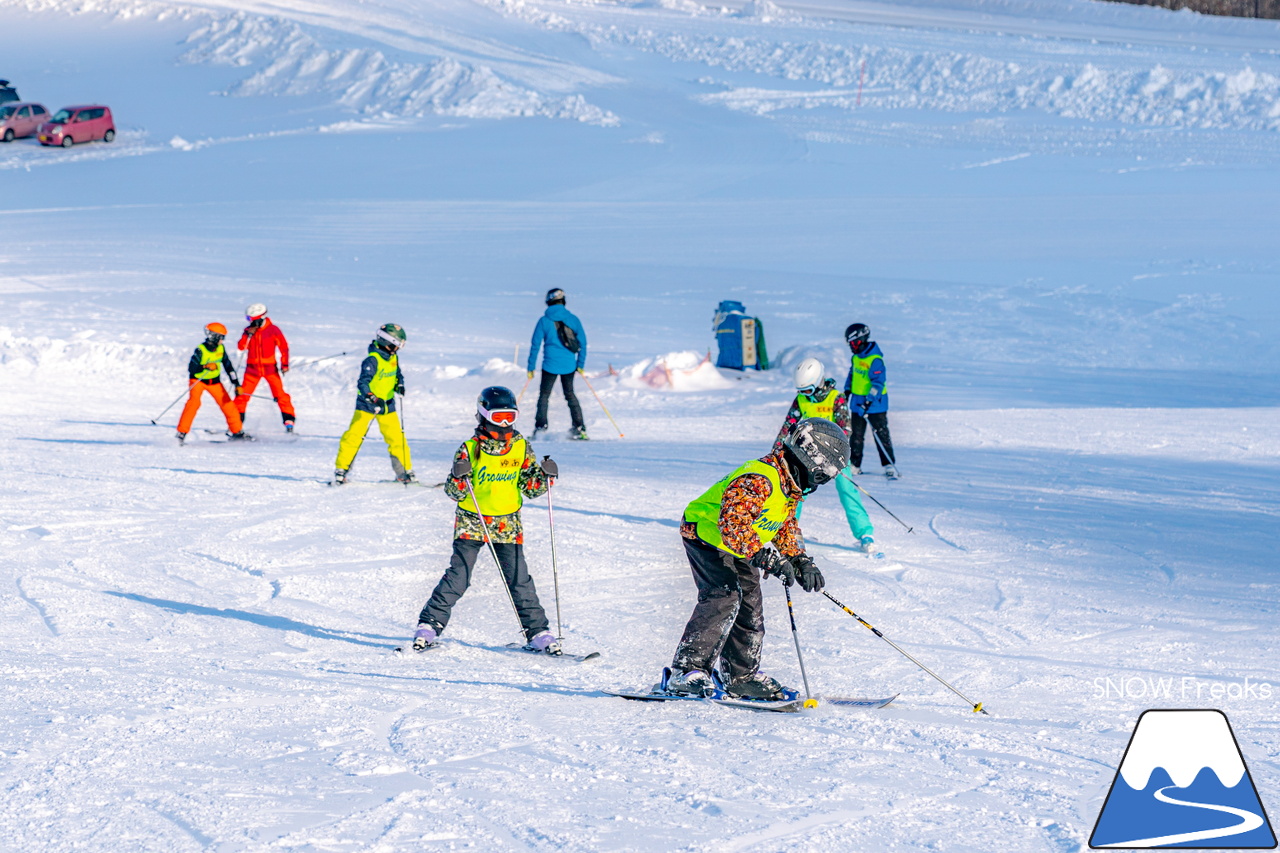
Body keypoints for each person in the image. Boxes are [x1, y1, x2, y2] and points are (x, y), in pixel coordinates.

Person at [665, 417, 850, 700]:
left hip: (741, 544)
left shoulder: (789, 482)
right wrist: (770, 560)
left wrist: (799, 559)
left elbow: (782, 522)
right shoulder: (760, 478)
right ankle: (686, 671)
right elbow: (733, 523)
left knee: (750, 606)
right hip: (706, 536)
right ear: (811, 462)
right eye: (822, 476)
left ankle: (739, 676)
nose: (821, 483)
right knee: (724, 597)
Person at [411, 386, 562, 654]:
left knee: (519, 579)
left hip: (507, 524)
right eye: (498, 416)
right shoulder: (469, 448)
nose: (504, 423)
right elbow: (454, 492)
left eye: (510, 416)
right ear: (483, 415)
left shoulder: (521, 447)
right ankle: (429, 626)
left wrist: (545, 478)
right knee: (459, 577)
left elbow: (530, 488)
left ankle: (538, 632)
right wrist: (458, 475)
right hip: (473, 520)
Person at [773, 358, 877, 555]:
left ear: (819, 381)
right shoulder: (801, 400)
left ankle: (865, 533)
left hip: (835, 456)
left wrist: (836, 457)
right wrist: (777, 452)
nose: (804, 395)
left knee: (847, 490)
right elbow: (788, 427)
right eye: (801, 391)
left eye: (808, 391)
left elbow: (845, 429)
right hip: (808, 457)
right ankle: (788, 530)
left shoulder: (836, 398)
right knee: (796, 490)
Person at [333, 324, 414, 485]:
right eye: (395, 345)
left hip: (388, 405)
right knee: (353, 437)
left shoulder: (393, 357)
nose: (397, 349)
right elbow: (363, 383)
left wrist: (400, 384)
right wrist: (371, 397)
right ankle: (342, 471)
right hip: (367, 406)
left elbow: (397, 374)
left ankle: (404, 472)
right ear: (386, 342)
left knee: (397, 439)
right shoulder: (372, 360)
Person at [526, 288, 588, 440]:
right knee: (570, 395)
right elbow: (584, 343)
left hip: (549, 365)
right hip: (569, 365)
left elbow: (535, 345)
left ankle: (540, 428)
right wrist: (580, 364)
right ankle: (579, 428)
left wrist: (531, 367)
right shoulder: (573, 319)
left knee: (544, 397)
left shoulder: (544, 320)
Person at [176, 323, 250, 443]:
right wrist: (205, 366)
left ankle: (237, 432)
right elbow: (192, 369)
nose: (223, 340)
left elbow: (228, 366)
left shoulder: (221, 348)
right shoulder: (201, 349)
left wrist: (236, 384)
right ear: (214, 337)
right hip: (198, 380)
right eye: (221, 337)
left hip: (215, 382)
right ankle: (181, 433)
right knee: (193, 403)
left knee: (228, 406)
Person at [843, 323, 898, 479]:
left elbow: (878, 384)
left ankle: (888, 464)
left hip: (876, 405)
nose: (852, 347)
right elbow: (852, 376)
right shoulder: (856, 358)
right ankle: (855, 464)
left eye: (853, 343)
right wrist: (847, 391)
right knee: (856, 435)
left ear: (862, 340)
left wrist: (868, 402)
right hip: (857, 403)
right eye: (850, 344)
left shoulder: (875, 360)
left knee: (880, 434)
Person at [234, 303, 296, 432]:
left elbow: (283, 347)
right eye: (248, 319)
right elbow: (241, 347)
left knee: (280, 395)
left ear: (259, 318)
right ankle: (236, 425)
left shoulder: (273, 330)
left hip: (270, 370)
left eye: (250, 319)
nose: (249, 322)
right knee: (242, 395)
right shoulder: (248, 331)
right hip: (252, 370)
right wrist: (247, 335)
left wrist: (284, 364)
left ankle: (289, 422)